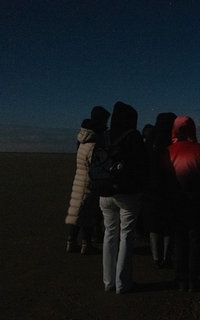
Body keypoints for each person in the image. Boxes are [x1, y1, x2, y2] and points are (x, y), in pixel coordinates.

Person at [99, 101, 147, 294]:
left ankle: (107, 282)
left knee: (109, 234)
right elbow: (140, 164)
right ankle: (122, 283)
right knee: (126, 236)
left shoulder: (105, 135)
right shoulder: (133, 136)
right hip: (127, 193)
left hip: (105, 191)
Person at [168, 116, 200, 292]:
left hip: (177, 201)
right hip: (197, 202)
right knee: (195, 241)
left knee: (179, 241)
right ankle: (193, 279)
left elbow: (165, 176)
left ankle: (181, 279)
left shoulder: (169, 150)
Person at [65, 106, 110, 255]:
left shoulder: (82, 139)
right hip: (90, 180)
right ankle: (86, 243)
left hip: (79, 177)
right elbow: (97, 164)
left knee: (76, 211)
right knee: (88, 213)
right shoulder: (95, 142)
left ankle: (71, 241)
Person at [142, 112, 177, 268]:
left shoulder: (149, 143)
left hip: (151, 188)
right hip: (171, 188)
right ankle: (166, 256)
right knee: (169, 225)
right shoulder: (173, 144)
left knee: (154, 225)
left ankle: (156, 258)